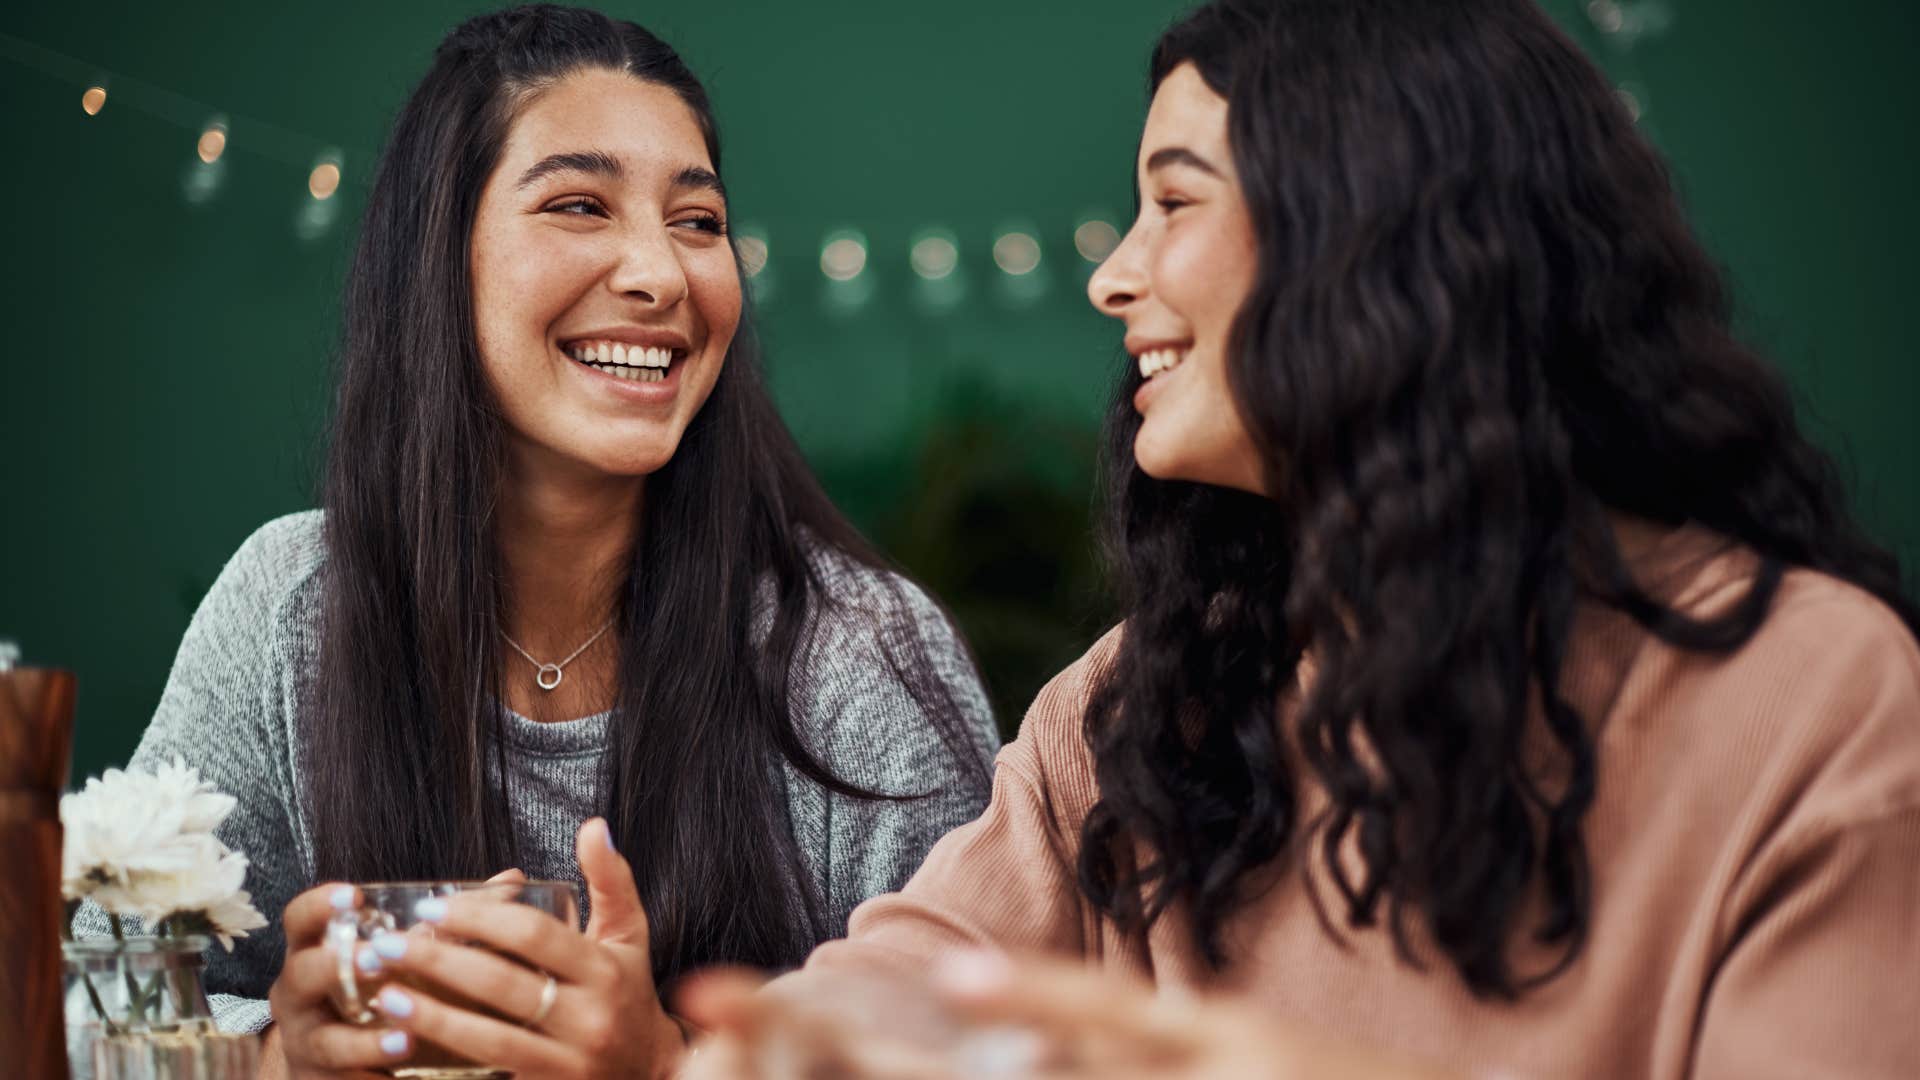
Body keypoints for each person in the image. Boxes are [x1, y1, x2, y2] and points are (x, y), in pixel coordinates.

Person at [672, 1, 1920, 1077]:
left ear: (1380, 239)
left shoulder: (1809, 695)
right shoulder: (1140, 702)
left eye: (1174, 201)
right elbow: (909, 980)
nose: (1115, 276)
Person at [75, 6, 998, 1078]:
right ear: (440, 254)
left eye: (697, 221)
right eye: (578, 205)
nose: (660, 273)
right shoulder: (296, 608)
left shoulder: (854, 655)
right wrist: (282, 1057)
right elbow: (86, 1015)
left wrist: (667, 1060)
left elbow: (983, 1054)